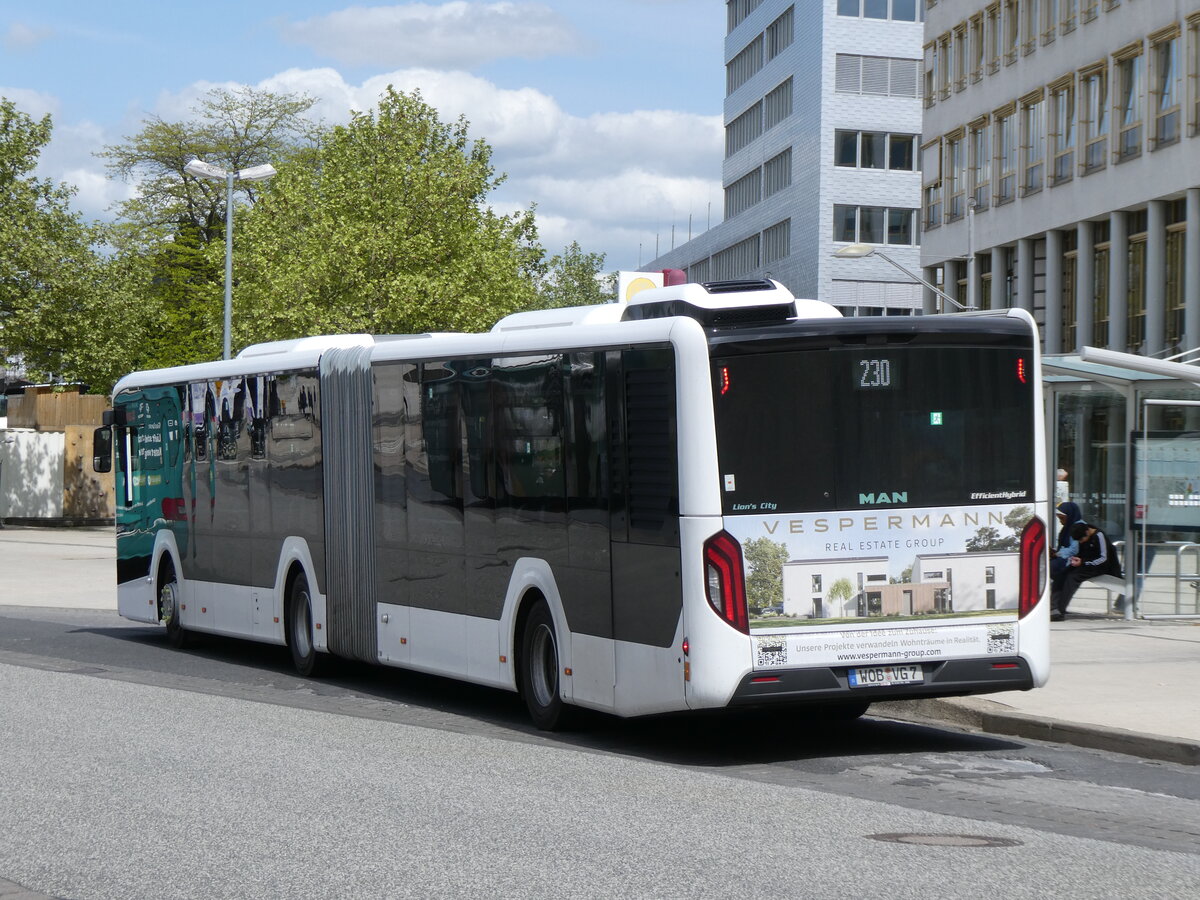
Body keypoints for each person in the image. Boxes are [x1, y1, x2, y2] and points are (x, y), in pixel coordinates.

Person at [1052, 520, 1122, 621]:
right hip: (1086, 564)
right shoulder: (1083, 535)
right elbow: (1083, 554)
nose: (1081, 542)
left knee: (1072, 578)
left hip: (1101, 567)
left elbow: (1103, 558)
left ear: (1087, 532)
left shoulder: (1099, 536)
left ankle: (1060, 610)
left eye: (1081, 539)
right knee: (1062, 574)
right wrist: (1077, 559)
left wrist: (1083, 562)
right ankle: (1053, 607)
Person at [1050, 501, 1082, 594]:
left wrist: (1058, 553)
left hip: (1074, 560)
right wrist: (1054, 552)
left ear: (1070, 515)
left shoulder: (1078, 526)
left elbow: (1075, 549)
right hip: (1066, 558)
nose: (1061, 522)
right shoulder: (1069, 526)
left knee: (1049, 568)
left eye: (1062, 518)